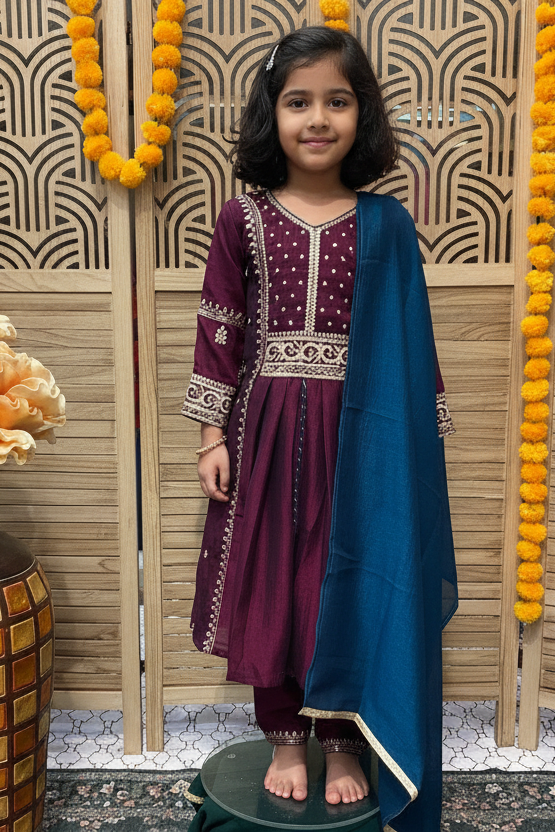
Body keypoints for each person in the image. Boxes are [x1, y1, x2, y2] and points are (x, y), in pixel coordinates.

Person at [182, 26, 458, 830]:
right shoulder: (243, 219)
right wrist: (211, 437)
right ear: (272, 114)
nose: (316, 118)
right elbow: (219, 331)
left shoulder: (386, 223)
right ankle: (283, 737)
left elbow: (413, 340)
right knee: (273, 583)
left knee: (346, 578)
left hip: (361, 438)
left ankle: (343, 741)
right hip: (264, 430)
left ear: (360, 115)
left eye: (336, 101)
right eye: (297, 100)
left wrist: (418, 443)